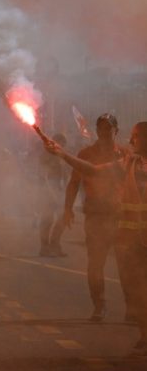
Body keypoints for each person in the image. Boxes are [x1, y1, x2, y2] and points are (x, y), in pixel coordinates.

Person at [45, 122, 147, 356]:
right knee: (138, 289)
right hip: (133, 240)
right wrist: (62, 154)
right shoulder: (129, 163)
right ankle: (144, 336)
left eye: (136, 136)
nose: (131, 141)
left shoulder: (128, 158)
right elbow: (92, 171)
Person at [63, 114, 129, 322]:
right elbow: (74, 182)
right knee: (95, 264)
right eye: (101, 128)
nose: (104, 132)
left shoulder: (125, 154)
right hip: (96, 216)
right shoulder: (86, 154)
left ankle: (132, 308)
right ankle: (99, 305)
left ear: (116, 131)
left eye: (108, 128)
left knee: (127, 266)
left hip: (121, 217)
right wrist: (67, 209)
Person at [38, 132, 68, 257]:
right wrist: (51, 192)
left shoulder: (61, 155)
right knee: (47, 219)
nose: (62, 146)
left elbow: (64, 174)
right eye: (61, 144)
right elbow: (44, 174)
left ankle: (55, 244)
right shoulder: (47, 155)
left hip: (59, 189)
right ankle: (44, 247)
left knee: (63, 218)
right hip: (48, 189)